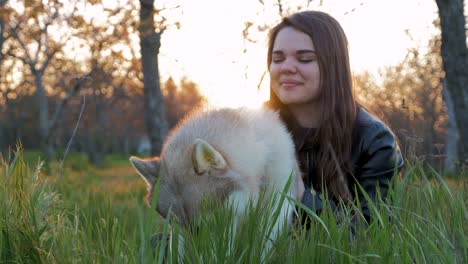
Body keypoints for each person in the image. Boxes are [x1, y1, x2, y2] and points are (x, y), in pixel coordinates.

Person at [265, 10, 404, 224]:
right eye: (278, 58)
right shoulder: (256, 132)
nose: (286, 68)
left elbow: (370, 234)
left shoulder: (375, 142)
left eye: (304, 59)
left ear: (333, 65)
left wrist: (301, 196)